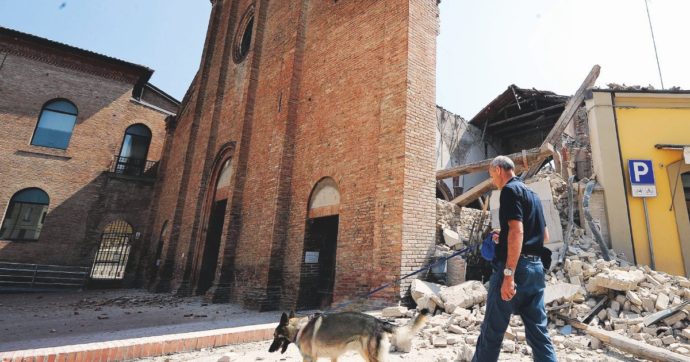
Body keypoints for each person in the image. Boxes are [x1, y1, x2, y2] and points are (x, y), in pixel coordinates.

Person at [472, 156, 557, 362]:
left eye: (492, 175)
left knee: (492, 331)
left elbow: (517, 231)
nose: (493, 180)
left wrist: (508, 274)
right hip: (535, 270)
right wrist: (506, 237)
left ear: (499, 169)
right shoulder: (533, 195)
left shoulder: (509, 191)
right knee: (539, 333)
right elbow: (544, 236)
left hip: (514, 270)